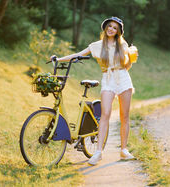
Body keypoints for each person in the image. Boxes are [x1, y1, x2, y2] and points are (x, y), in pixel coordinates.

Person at [50, 16, 136, 166]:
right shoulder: (96, 45)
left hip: (123, 78)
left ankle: (123, 150)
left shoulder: (122, 45)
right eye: (109, 26)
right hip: (107, 79)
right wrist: (59, 59)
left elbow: (127, 65)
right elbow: (78, 54)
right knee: (105, 114)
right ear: (105, 27)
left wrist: (127, 61)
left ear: (118, 32)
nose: (111, 29)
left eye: (115, 28)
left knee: (125, 116)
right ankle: (98, 152)